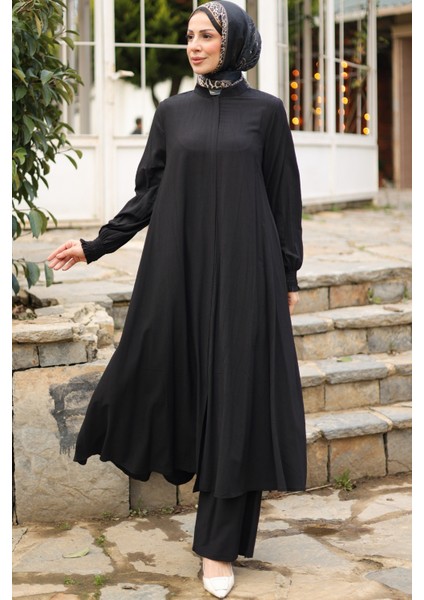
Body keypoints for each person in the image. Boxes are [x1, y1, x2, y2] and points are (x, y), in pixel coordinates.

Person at [47, 2, 306, 597]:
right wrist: (95, 246)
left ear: (232, 42)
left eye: (206, 36)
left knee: (236, 396)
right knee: (153, 366)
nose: (194, 45)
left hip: (247, 273)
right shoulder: (172, 113)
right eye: (189, 36)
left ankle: (217, 546)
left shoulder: (267, 113)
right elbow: (150, 193)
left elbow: (283, 198)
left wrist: (288, 276)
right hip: (179, 268)